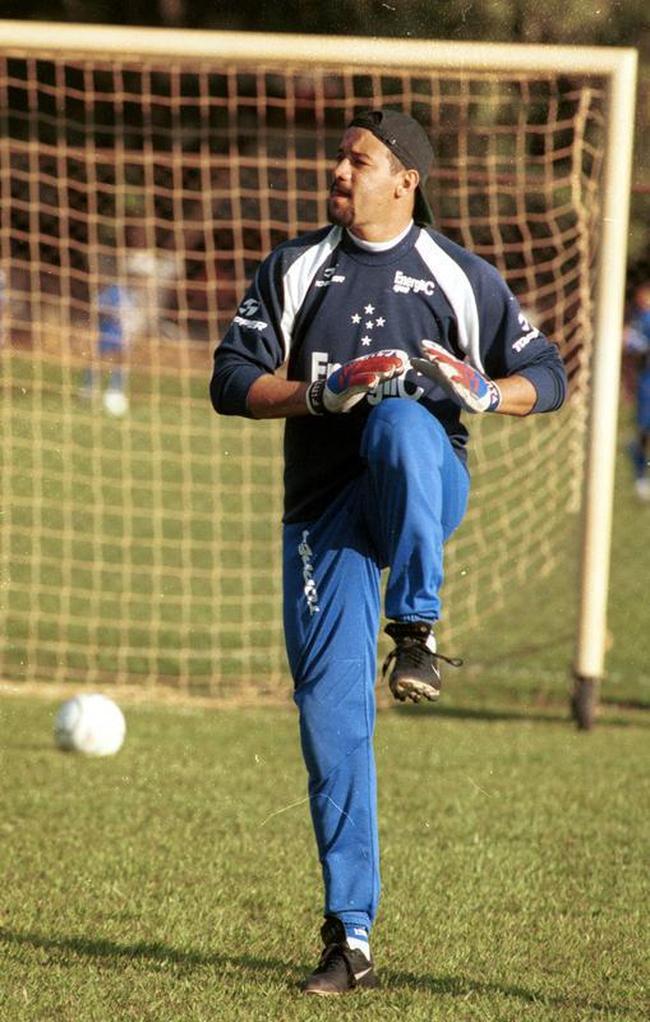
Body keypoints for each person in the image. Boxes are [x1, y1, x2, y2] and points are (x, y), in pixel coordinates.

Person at [210, 108, 567, 996]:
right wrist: (321, 394)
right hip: (324, 516)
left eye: (357, 160)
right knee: (331, 724)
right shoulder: (295, 267)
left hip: (421, 488)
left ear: (404, 178)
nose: (338, 169)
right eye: (340, 156)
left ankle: (416, 627)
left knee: (406, 420)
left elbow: (549, 376)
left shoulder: (459, 275)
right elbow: (229, 380)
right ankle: (352, 936)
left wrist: (487, 391)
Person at [623, 281, 650, 501]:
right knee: (643, 431)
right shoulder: (640, 317)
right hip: (646, 384)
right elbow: (631, 345)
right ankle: (640, 478)